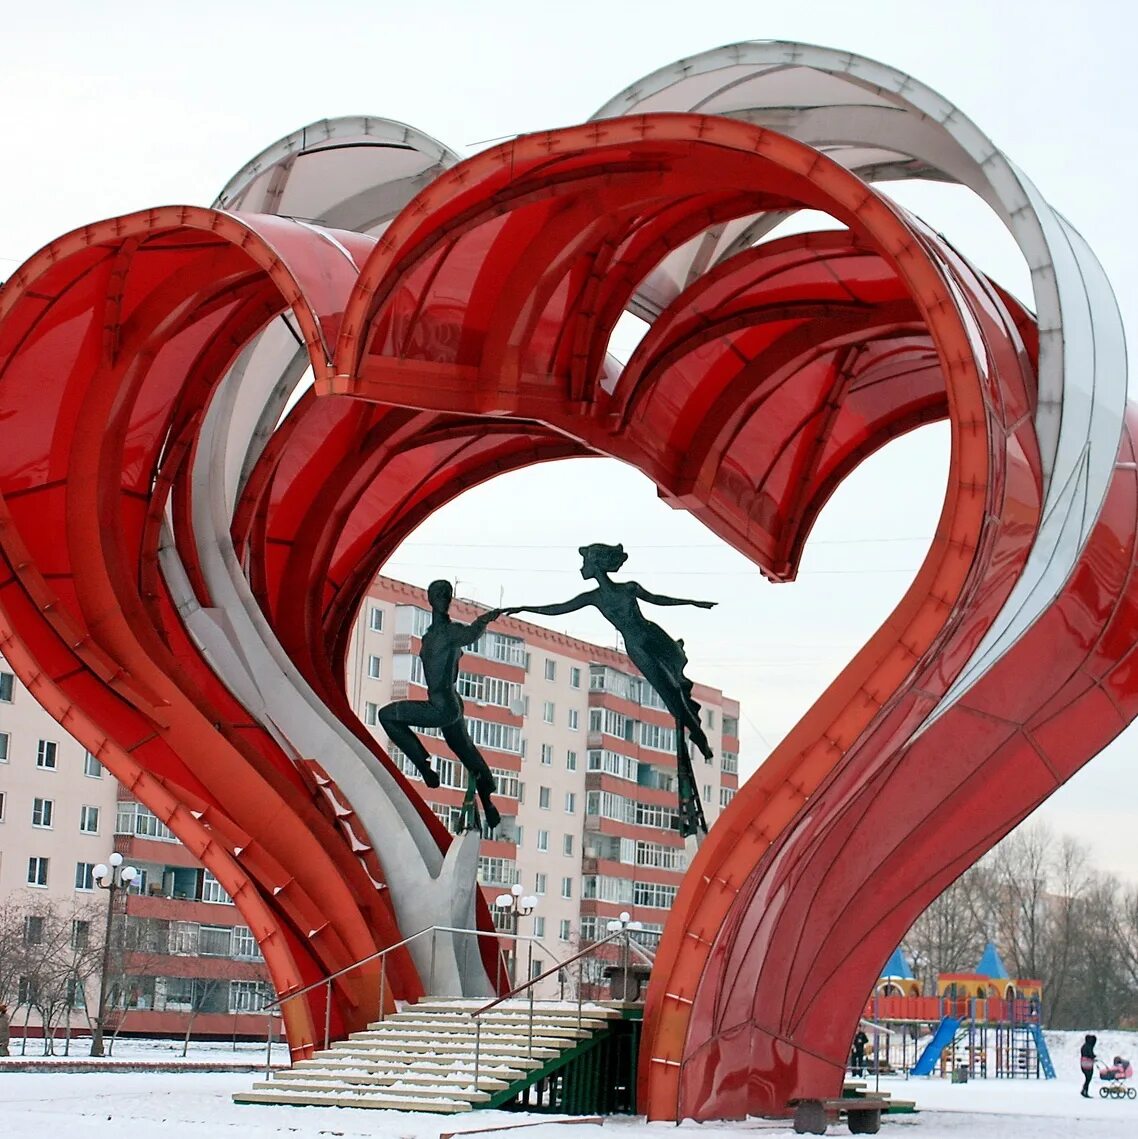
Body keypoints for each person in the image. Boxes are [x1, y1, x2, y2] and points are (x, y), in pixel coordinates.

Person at [503, 543, 717, 836]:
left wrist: (693, 603)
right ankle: (699, 736)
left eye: (585, 563)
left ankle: (697, 734)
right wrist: (523, 609)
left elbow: (658, 599)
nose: (581, 569)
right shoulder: (593, 598)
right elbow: (557, 609)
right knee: (671, 697)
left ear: (596, 565)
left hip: (652, 635)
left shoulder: (628, 588)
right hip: (637, 646)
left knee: (678, 686)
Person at [378, 581, 504, 829]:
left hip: (442, 705)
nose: (443, 598)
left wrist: (483, 620)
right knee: (465, 750)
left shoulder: (449, 632)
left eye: (447, 594)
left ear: (450, 598)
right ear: (430, 598)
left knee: (387, 715)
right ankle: (488, 802)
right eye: (439, 594)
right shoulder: (432, 634)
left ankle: (425, 770)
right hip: (449, 703)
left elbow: (469, 635)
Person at [1080, 1033, 1097, 1098]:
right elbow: (1090, 1055)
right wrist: (1094, 1057)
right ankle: (1085, 1091)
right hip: (1088, 1064)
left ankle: (1084, 1090)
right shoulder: (1089, 1046)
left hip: (1083, 1063)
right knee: (1088, 1078)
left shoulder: (1084, 1046)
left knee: (1087, 1078)